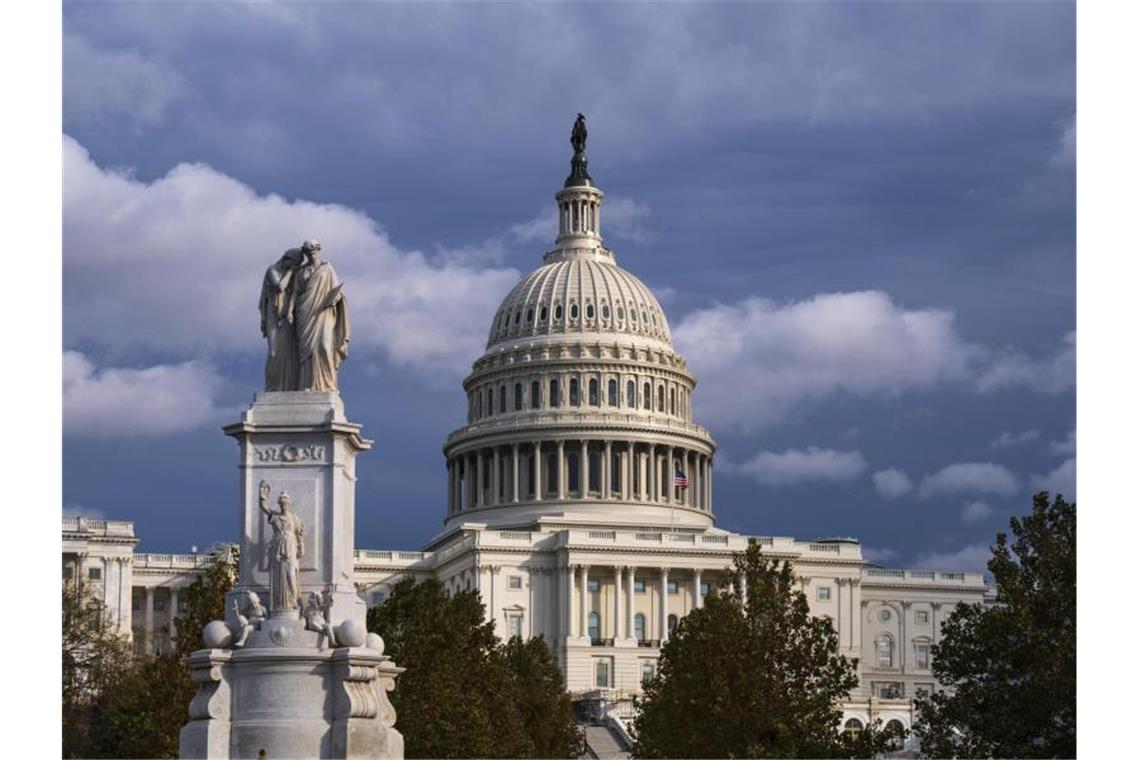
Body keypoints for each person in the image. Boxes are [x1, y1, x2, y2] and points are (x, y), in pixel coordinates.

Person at [291, 240, 350, 391]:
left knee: (324, 346)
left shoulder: (327, 269)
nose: (311, 254)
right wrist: (290, 310)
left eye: (314, 251)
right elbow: (295, 293)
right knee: (307, 351)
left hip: (324, 312)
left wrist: (335, 299)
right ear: (305, 254)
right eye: (308, 252)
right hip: (304, 312)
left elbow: (337, 290)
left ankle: (327, 385)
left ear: (318, 251)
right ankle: (308, 385)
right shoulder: (301, 272)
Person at [258, 248, 304, 390]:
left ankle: (289, 386)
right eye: (294, 262)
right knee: (274, 352)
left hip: (288, 316)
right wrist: (291, 271)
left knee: (290, 354)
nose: (295, 266)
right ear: (287, 258)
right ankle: (272, 387)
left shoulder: (294, 274)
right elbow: (280, 287)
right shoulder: (273, 270)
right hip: (274, 314)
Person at [258, 481, 305, 611]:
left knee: (291, 575)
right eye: (281, 504)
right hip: (277, 547)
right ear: (279, 505)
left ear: (289, 505)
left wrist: (301, 547)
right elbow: (264, 507)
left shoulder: (295, 519)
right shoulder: (276, 517)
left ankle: (294, 601)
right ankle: (280, 603)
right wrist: (262, 495)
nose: (284, 506)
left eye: (285, 504)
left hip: (290, 548)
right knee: (278, 577)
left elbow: (299, 534)